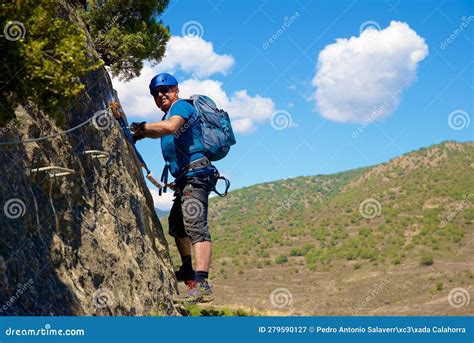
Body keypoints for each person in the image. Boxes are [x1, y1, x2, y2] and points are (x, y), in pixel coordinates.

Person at [110, 73, 216, 304]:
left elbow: (169, 127)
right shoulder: (167, 114)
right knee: (177, 227)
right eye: (156, 93)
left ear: (175, 90)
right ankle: (188, 271)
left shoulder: (182, 107)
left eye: (165, 89)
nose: (161, 94)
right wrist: (135, 132)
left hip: (196, 177)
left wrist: (142, 127)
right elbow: (158, 130)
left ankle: (202, 284)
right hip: (184, 179)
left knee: (196, 227)